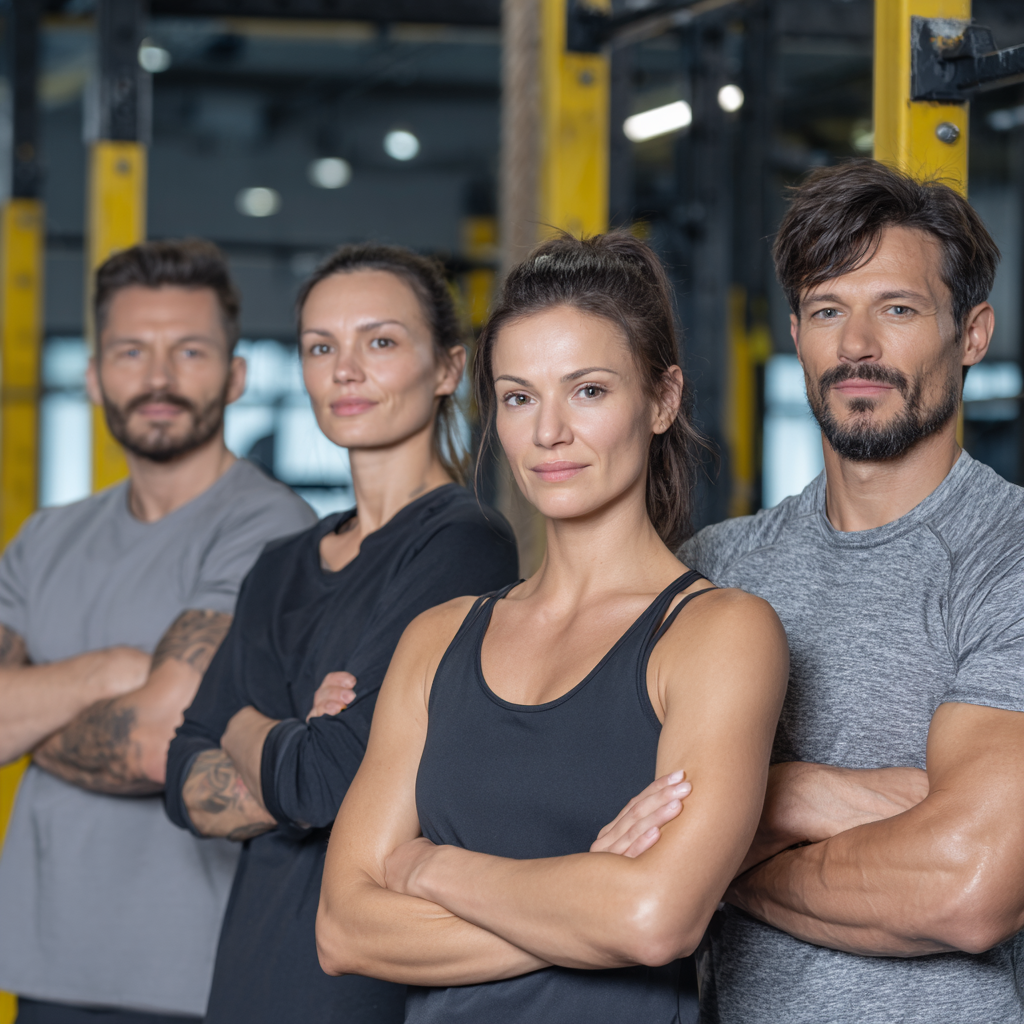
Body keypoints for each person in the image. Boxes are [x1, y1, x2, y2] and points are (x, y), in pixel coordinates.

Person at [315, 232, 789, 1024]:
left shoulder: (719, 634)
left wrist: (431, 867)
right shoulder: (437, 639)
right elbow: (345, 931)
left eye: (589, 391)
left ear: (663, 399)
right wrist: (585, 891)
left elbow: (655, 920)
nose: (548, 433)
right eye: (519, 396)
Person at [678, 159, 1024, 1023]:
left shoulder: (1007, 555)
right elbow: (604, 816)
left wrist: (738, 829)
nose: (858, 346)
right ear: (796, 331)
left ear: (972, 332)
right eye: (830, 310)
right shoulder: (714, 567)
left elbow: (969, 888)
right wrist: (910, 797)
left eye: (897, 309)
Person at [163, 244, 520, 1024]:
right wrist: (290, 742)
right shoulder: (280, 562)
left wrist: (244, 723)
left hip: (357, 987)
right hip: (245, 979)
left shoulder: (464, 544)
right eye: (321, 347)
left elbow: (321, 777)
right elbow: (181, 773)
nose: (344, 370)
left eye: (381, 342)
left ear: (448, 368)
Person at [0, 240, 316, 1024]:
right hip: (46, 970)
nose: (160, 378)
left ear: (236, 374)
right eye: (132, 351)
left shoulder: (272, 529)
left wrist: (31, 709)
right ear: (95, 373)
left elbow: (159, 741)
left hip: (199, 980)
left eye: (191, 350)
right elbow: (148, 721)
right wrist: (110, 670)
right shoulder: (44, 538)